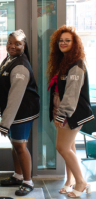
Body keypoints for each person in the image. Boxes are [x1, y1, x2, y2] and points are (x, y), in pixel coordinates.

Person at [47, 25, 94, 198]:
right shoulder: (64, 62)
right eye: (61, 41)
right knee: (71, 147)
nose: (63, 43)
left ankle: (81, 182)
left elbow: (72, 93)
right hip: (61, 110)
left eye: (68, 40)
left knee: (62, 147)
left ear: (75, 43)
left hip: (70, 113)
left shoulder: (77, 64)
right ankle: (70, 180)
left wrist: (61, 114)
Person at [0, 30, 40, 196]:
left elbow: (15, 98)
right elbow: (1, 84)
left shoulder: (20, 65)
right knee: (15, 144)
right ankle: (18, 175)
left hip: (22, 112)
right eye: (9, 42)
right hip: (13, 111)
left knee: (20, 146)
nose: (12, 46)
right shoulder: (9, 59)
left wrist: (5, 124)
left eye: (17, 44)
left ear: (24, 46)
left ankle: (28, 182)